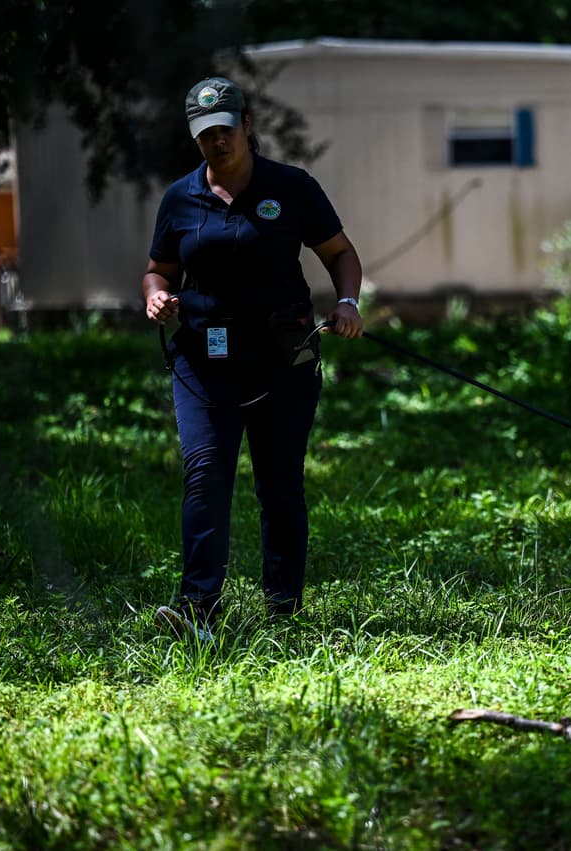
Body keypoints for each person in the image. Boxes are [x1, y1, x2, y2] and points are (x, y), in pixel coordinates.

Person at [142, 76, 363, 642]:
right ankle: (198, 610)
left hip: (282, 359)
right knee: (205, 474)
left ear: (246, 125)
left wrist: (347, 302)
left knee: (279, 484)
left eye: (225, 130)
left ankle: (283, 612)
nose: (217, 142)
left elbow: (340, 252)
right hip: (203, 361)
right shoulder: (180, 198)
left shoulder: (291, 187)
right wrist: (156, 296)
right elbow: (159, 269)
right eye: (205, 134)